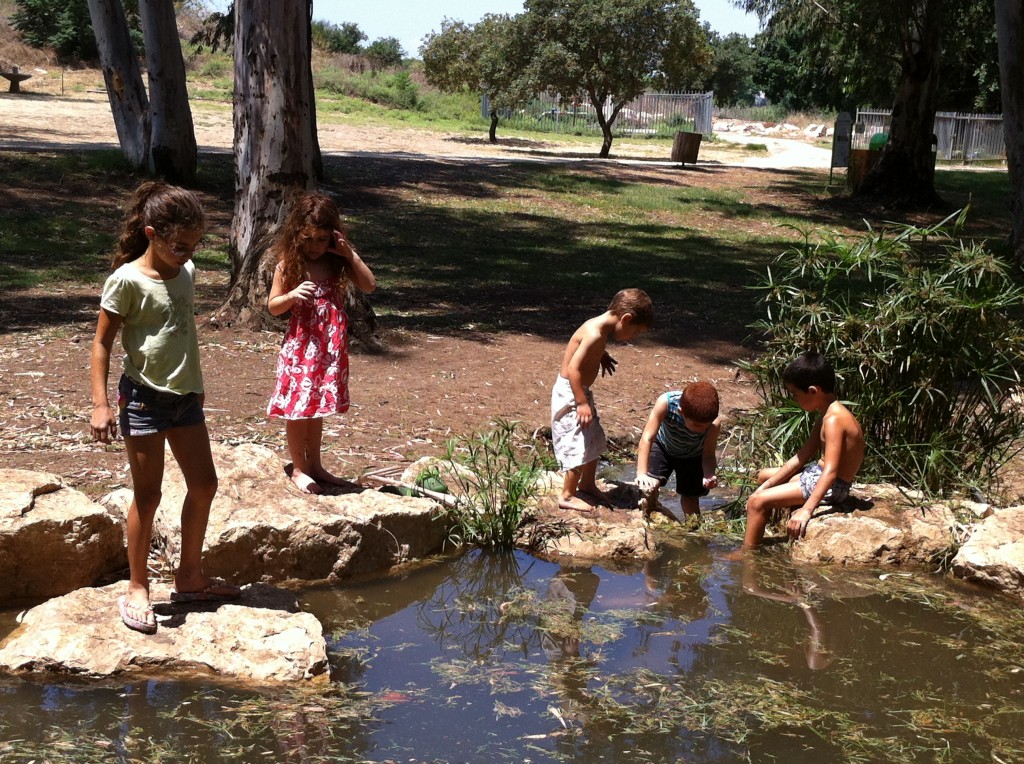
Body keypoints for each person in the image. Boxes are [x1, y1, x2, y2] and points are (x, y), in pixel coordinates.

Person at [91, 181, 240, 636]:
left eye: (195, 245)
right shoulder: (127, 280)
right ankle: (137, 587)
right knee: (148, 494)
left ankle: (189, 578)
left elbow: (182, 336)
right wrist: (100, 405)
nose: (187, 253)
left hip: (185, 400)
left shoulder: (187, 271)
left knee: (205, 484)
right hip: (143, 401)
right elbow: (101, 344)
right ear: (152, 233)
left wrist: (196, 386)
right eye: (179, 245)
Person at [267, 192, 376, 494]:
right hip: (302, 348)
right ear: (296, 235)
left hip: (329, 349)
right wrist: (291, 296)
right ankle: (298, 467)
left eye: (321, 238)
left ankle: (315, 465)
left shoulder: (336, 263)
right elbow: (273, 305)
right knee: (297, 407)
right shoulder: (289, 264)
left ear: (332, 236)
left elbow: (369, 284)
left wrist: (348, 253)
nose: (314, 246)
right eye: (308, 238)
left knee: (316, 407)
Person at [742, 351, 865, 550]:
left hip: (833, 486)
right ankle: (762, 527)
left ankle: (748, 554)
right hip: (814, 473)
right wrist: (764, 486)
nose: (795, 399)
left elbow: (831, 471)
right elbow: (800, 458)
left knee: (757, 502)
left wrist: (806, 510)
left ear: (813, 391)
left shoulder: (835, 420)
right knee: (763, 477)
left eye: (795, 394)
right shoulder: (825, 415)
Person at [551, 288, 653, 511]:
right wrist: (581, 403)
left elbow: (586, 348)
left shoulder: (600, 329)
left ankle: (587, 484)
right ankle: (567, 495)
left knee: (594, 438)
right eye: (635, 332)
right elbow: (573, 369)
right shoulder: (595, 333)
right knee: (577, 441)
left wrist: (601, 356)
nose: (633, 337)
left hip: (581, 392)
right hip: (571, 394)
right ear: (625, 319)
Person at [635, 380, 721, 520]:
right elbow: (647, 438)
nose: (701, 430)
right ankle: (648, 515)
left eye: (705, 427)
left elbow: (708, 456)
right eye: (696, 425)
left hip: (693, 456)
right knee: (650, 484)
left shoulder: (713, 424)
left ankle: (694, 531)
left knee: (690, 498)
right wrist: (642, 473)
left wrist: (709, 474)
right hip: (663, 446)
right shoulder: (666, 403)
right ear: (681, 412)